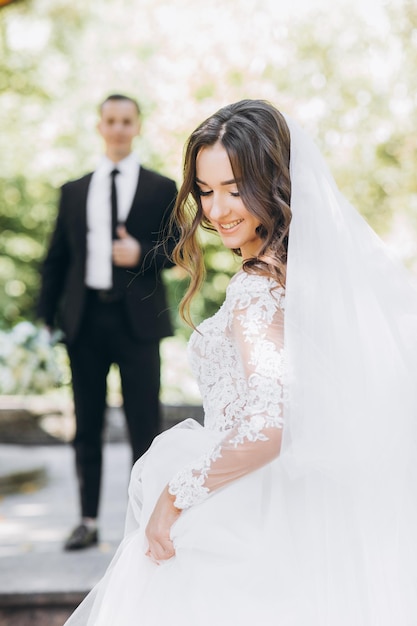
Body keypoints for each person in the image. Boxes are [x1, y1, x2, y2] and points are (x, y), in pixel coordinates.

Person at [63, 100, 417, 625]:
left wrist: (176, 496)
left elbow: (267, 423)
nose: (217, 209)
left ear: (274, 182)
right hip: (291, 502)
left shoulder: (257, 287)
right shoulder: (301, 275)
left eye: (234, 188)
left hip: (245, 506)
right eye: (205, 191)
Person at [37, 94, 177, 551]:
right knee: (87, 425)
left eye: (126, 121)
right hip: (85, 320)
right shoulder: (74, 190)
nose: (118, 128)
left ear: (137, 126)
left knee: (145, 425)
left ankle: (145, 522)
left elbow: (179, 250)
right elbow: (56, 259)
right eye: (110, 121)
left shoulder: (161, 187)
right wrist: (44, 318)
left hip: (138, 322)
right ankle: (88, 519)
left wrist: (142, 254)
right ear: (99, 126)